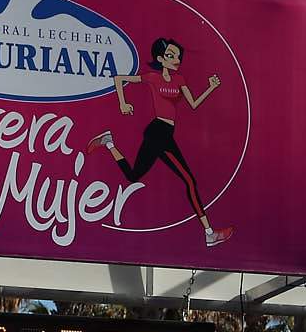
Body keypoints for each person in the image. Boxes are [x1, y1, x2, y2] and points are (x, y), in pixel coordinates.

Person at [89, 37, 234, 248]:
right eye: (170, 56)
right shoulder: (153, 78)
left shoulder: (180, 80)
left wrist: (210, 88)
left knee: (133, 176)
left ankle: (109, 142)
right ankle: (209, 233)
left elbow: (193, 104)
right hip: (158, 132)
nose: (176, 60)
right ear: (160, 58)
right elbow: (119, 79)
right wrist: (123, 103)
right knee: (189, 181)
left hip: (165, 133)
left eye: (177, 56)